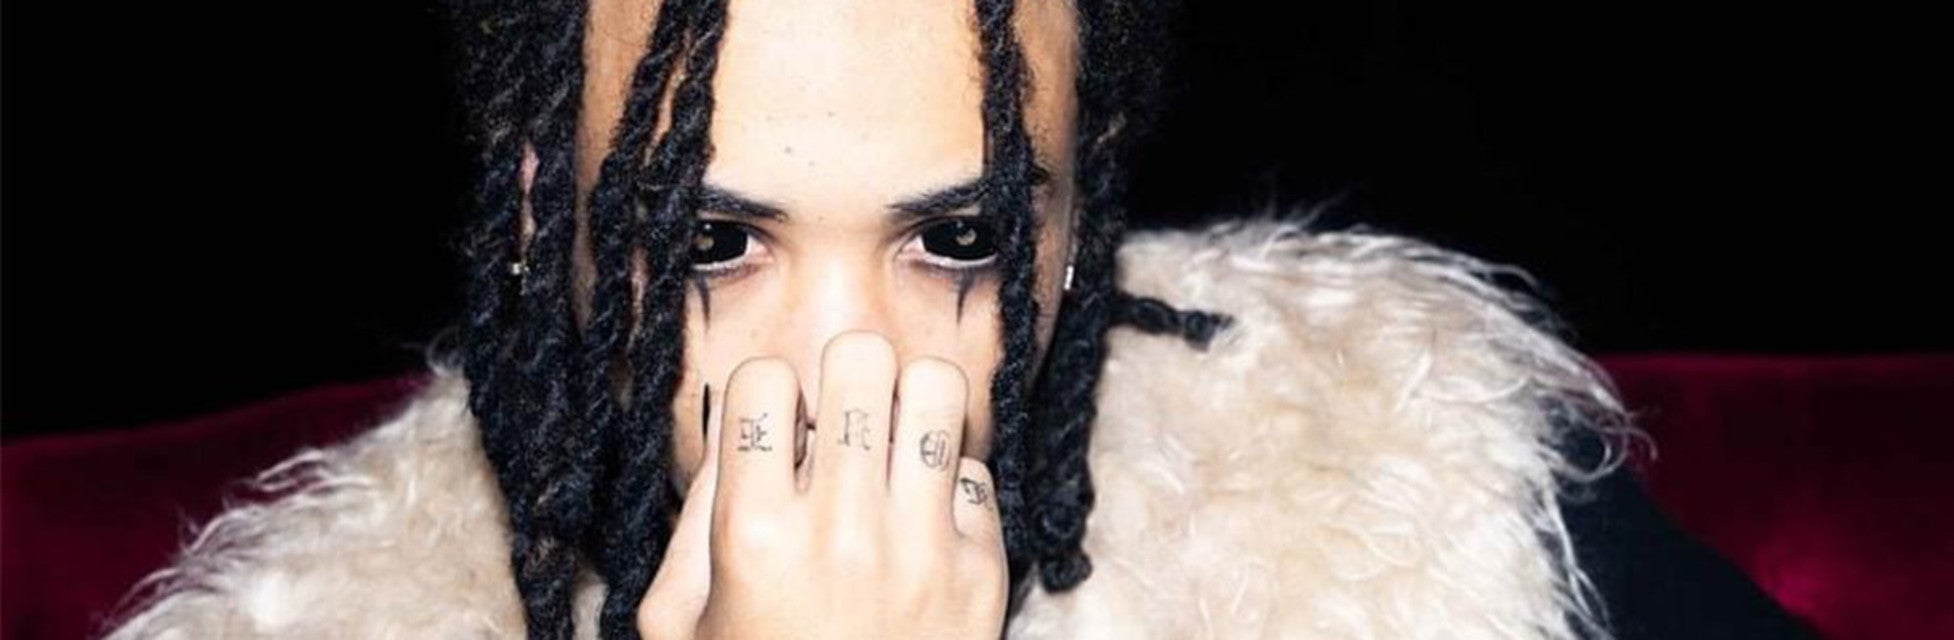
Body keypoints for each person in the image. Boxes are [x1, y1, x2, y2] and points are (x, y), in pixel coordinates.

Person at [102, 0, 1808, 638]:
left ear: (1075, 219)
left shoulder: (1401, 473)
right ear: (547, 215)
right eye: (711, 242)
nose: (841, 377)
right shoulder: (331, 619)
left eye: (958, 238)